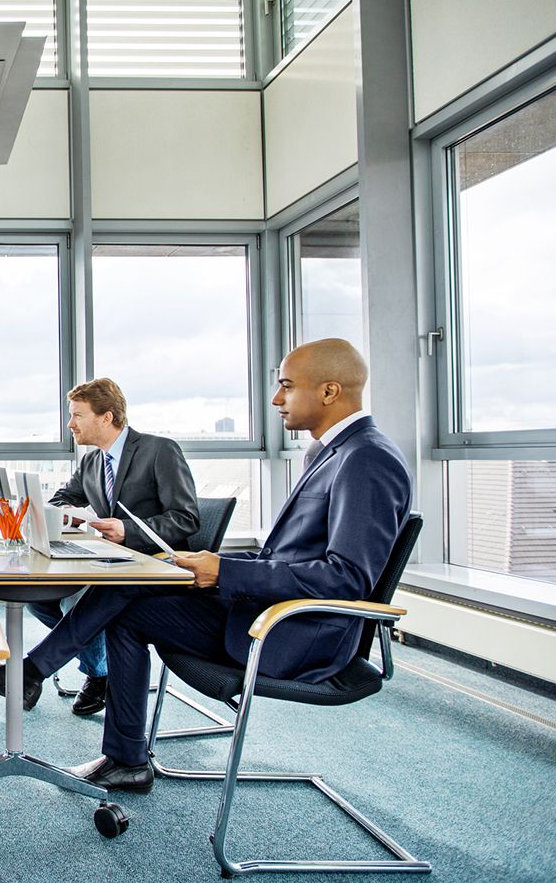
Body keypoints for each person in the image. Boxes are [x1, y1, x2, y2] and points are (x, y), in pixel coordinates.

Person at [50, 339, 413, 792]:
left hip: (296, 635)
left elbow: (346, 578)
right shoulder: (327, 453)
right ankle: (123, 757)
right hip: (263, 610)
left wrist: (226, 572)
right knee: (131, 598)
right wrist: (215, 563)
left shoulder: (368, 460)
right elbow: (289, 557)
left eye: (286, 387)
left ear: (329, 391)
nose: (276, 400)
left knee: (127, 603)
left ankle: (41, 676)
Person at [0, 378, 198, 716]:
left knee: (100, 594)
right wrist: (68, 515)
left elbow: (186, 519)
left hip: (156, 564)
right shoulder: (92, 462)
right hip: (114, 561)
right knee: (41, 599)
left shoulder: (159, 450)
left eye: (77, 416)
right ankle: (100, 673)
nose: (70, 424)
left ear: (106, 417)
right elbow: (62, 498)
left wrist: (127, 530)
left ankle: (33, 671)